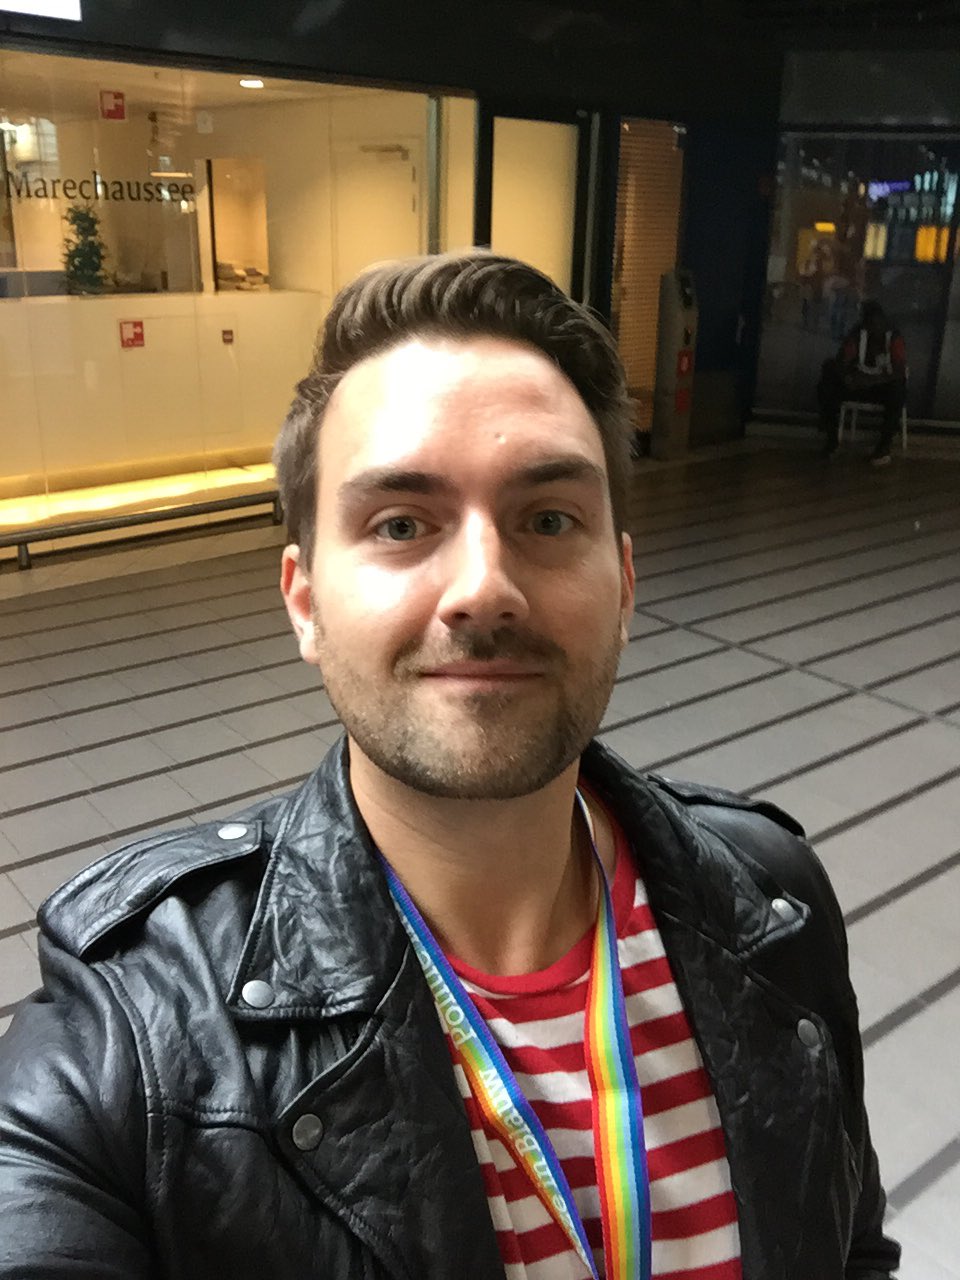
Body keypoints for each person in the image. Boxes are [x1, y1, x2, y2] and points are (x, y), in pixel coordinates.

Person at [0, 252, 900, 1280]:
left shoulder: (770, 902)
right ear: (304, 600)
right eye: (400, 524)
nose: (483, 587)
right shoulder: (138, 1028)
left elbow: (851, 1249)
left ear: (624, 584)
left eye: (548, 519)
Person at [817, 299, 907, 465]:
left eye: (878, 323)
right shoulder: (857, 335)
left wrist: (873, 380)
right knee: (828, 376)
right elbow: (841, 361)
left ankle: (884, 446)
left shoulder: (894, 337)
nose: (875, 328)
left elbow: (899, 370)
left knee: (898, 389)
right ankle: (831, 439)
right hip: (858, 385)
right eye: (870, 324)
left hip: (882, 388)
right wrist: (847, 377)